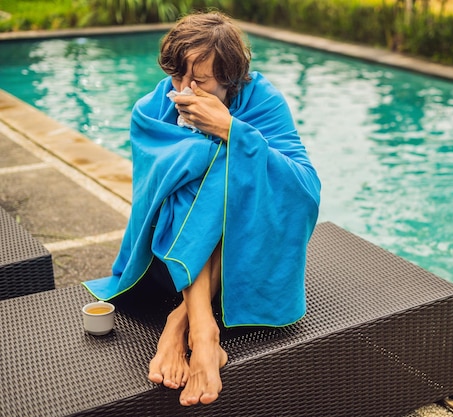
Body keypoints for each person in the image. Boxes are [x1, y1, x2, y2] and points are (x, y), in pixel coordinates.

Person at [83, 11, 321, 406]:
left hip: (249, 247)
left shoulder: (264, 101)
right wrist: (214, 149)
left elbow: (304, 186)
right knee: (198, 178)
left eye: (200, 81)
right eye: (177, 77)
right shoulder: (152, 106)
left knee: (223, 170)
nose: (184, 89)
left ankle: (183, 322)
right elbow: (154, 192)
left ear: (230, 77)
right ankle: (204, 329)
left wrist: (231, 129)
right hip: (168, 254)